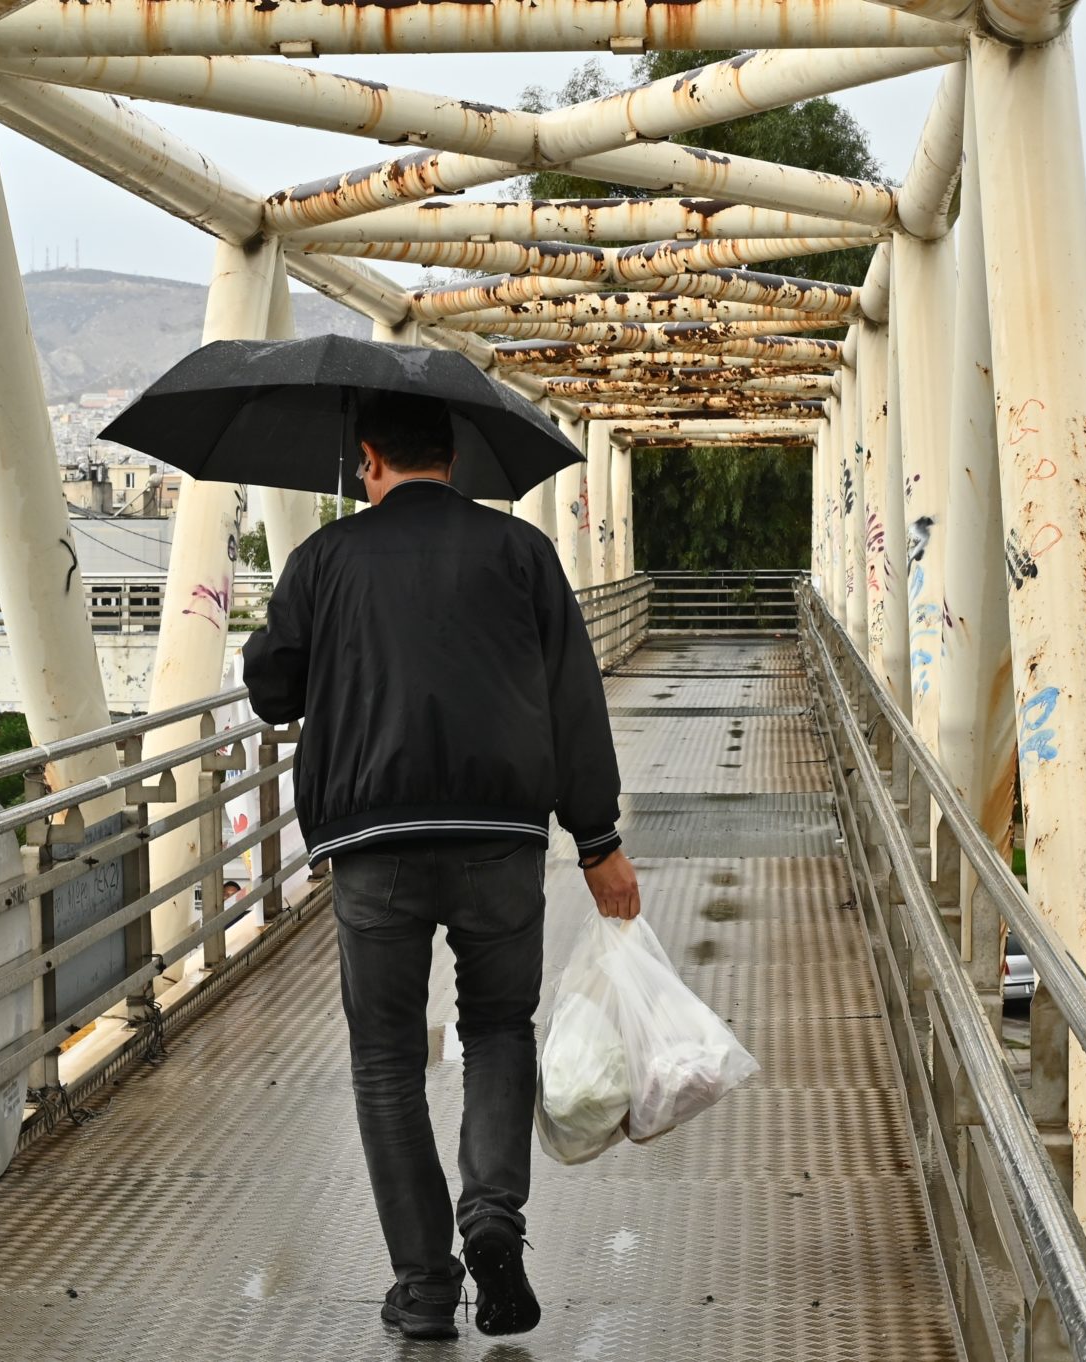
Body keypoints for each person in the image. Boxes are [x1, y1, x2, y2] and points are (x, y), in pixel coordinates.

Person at [243, 394, 640, 1342]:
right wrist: (597, 841)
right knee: (500, 1027)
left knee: (386, 1060)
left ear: (368, 459)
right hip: (500, 836)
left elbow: (271, 689)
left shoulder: (324, 560)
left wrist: (299, 623)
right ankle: (493, 1212)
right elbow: (572, 698)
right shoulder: (521, 555)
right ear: (454, 459)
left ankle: (424, 1284)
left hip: (371, 847)